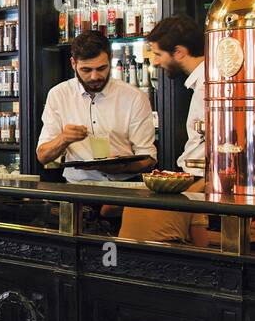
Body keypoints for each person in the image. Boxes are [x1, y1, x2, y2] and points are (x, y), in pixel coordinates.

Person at [119, 16, 208, 243]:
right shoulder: (201, 84)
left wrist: (196, 189)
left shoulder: (209, 85)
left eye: (158, 54)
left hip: (198, 187)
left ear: (178, 52)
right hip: (192, 185)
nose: (156, 62)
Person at [37, 30, 157, 182]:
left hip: (124, 189)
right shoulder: (59, 94)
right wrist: (64, 138)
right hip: (79, 189)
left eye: (101, 68)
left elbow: (149, 159)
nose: (94, 77)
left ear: (110, 60)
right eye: (86, 70)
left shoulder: (134, 97)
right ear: (73, 63)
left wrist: (120, 167)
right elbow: (43, 156)